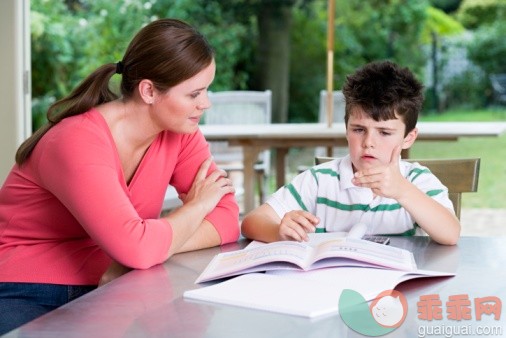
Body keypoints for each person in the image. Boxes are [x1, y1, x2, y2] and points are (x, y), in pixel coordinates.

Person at [0, 18, 240, 333]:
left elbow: (227, 220)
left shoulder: (180, 132)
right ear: (149, 91)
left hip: (118, 281)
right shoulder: (77, 139)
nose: (205, 104)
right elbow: (138, 248)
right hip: (28, 287)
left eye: (206, 90)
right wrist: (195, 208)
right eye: (194, 94)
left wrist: (144, 249)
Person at [241, 60, 460, 246]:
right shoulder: (319, 180)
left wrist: (402, 191)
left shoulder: (416, 181)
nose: (368, 143)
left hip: (397, 291)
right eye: (358, 130)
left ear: (408, 138)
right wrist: (278, 231)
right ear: (346, 130)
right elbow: (251, 222)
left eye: (384, 132)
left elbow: (451, 234)